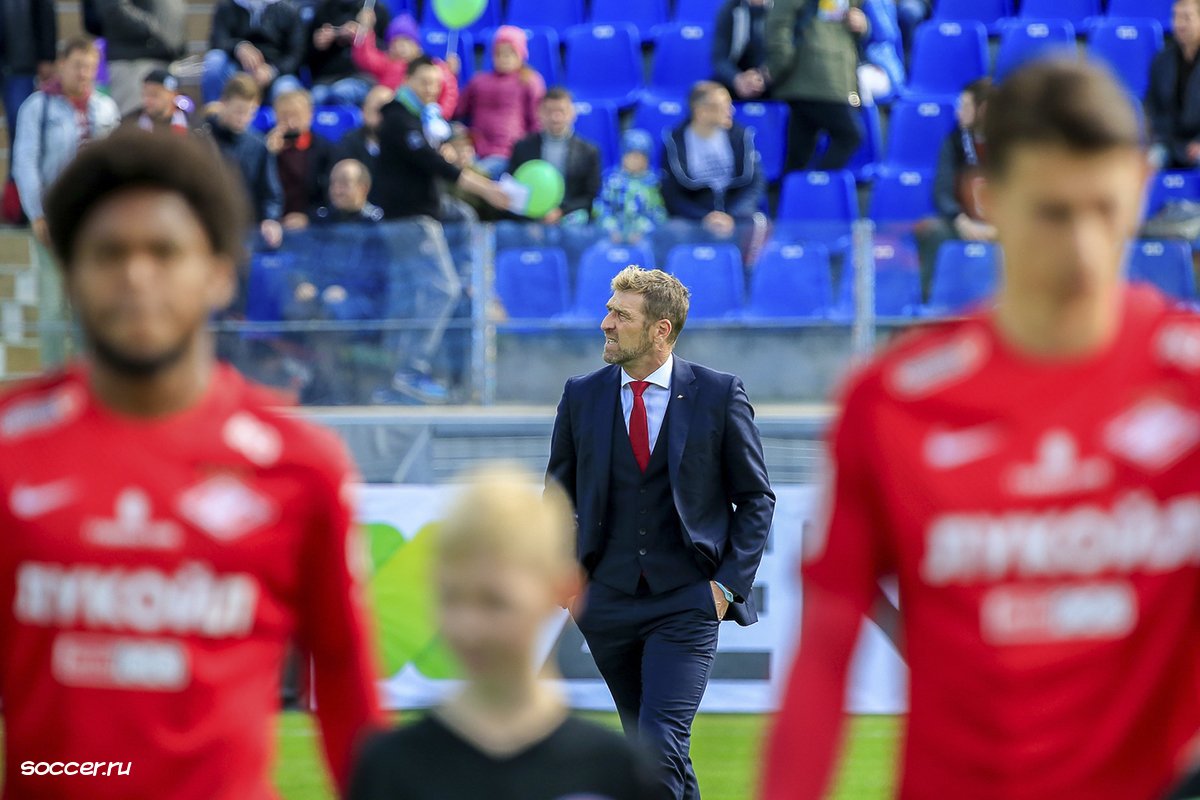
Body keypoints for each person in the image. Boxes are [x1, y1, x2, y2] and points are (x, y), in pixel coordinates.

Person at [762, 59, 1200, 800]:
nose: (1085, 248)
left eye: (1105, 208)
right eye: (1052, 213)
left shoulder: (1190, 386)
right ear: (987, 198)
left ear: (1141, 186)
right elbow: (825, 649)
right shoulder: (892, 403)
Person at [0, 129, 384, 798]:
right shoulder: (10, 448)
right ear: (71, 274)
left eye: (164, 251)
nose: (136, 276)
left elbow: (350, 695)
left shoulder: (302, 467)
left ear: (217, 273)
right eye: (109, 253)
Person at [546, 266, 775, 800]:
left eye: (620, 315)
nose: (605, 323)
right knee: (651, 750)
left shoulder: (718, 394)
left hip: (687, 603)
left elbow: (756, 498)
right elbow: (557, 500)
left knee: (657, 747)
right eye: (609, 311)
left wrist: (725, 587)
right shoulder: (581, 395)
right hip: (606, 603)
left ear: (661, 330)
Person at [349, 466, 658, 800]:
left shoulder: (618, 770)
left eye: (494, 602)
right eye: (451, 598)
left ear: (562, 592)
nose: (468, 627)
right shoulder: (389, 766)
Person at [12, 36, 121, 247]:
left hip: (97, 213)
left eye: (90, 67)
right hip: (54, 211)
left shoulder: (106, 107)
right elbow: (25, 162)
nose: (83, 73)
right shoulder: (37, 106)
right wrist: (37, 214)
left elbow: (116, 159)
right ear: (61, 64)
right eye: (78, 66)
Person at [376, 55, 509, 220]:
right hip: (406, 213)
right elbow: (430, 160)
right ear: (407, 80)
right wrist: (485, 189)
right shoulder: (398, 118)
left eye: (436, 84)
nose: (430, 89)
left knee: (464, 216)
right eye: (424, 82)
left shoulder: (426, 117)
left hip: (427, 205)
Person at [766, 0, 868, 173]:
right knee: (849, 135)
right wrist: (777, 68)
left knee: (799, 156)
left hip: (832, 78)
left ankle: (800, 189)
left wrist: (863, 26)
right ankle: (816, 185)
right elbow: (779, 26)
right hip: (814, 78)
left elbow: (845, 29)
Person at [661, 81, 764, 239]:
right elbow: (672, 194)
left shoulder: (740, 136)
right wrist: (704, 218)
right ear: (701, 112)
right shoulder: (675, 142)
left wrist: (732, 216)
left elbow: (755, 184)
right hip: (694, 220)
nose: (731, 110)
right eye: (723, 106)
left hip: (735, 217)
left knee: (759, 225)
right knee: (673, 230)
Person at [201, 73, 283, 248]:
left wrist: (270, 219)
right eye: (239, 111)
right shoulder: (201, 139)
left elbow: (270, 193)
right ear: (223, 103)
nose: (243, 118)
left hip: (246, 231)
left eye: (250, 112)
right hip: (207, 227)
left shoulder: (258, 146)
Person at [456, 26, 545, 178]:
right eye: (499, 53)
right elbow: (458, 110)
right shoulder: (478, 81)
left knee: (476, 175)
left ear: (521, 54)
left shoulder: (529, 81)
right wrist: (450, 75)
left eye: (510, 53)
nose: (504, 58)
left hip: (507, 153)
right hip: (475, 151)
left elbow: (537, 120)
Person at [508, 87, 601, 225]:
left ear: (572, 113)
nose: (555, 117)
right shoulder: (522, 147)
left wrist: (561, 211)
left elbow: (590, 196)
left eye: (561, 111)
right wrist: (533, 215)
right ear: (539, 113)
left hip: (570, 219)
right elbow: (513, 188)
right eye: (549, 111)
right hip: (529, 220)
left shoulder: (589, 151)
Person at [352, 10, 458, 119]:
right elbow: (366, 59)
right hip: (394, 113)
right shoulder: (388, 63)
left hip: (424, 114)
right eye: (395, 42)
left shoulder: (431, 66)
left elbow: (449, 90)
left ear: (417, 45)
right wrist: (365, 30)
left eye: (406, 41)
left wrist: (441, 114)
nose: (400, 47)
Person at [202, 0, 306, 104]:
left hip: (277, 74)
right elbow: (218, 40)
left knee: (286, 89)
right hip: (237, 69)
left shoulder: (288, 10)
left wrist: (272, 70)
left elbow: (296, 54)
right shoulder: (226, 7)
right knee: (214, 60)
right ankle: (215, 110)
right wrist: (238, 47)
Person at [95, 0, 186, 115]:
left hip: (164, 58)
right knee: (132, 121)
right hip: (132, 63)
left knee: (165, 121)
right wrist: (152, 29)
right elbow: (113, 8)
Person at [0, 0, 56, 178]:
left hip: (19, 63)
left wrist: (47, 55)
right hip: (16, 62)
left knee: (21, 130)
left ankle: (16, 188)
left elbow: (45, 10)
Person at [266, 89, 336, 231]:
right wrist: (267, 155)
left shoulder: (324, 150)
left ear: (310, 115)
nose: (291, 123)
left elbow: (330, 196)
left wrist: (309, 217)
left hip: (314, 227)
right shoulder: (262, 147)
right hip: (270, 225)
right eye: (285, 116)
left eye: (296, 115)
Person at [1146, 0, 1200, 169]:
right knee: (1147, 161)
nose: (1179, 24)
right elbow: (1153, 107)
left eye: (1186, 17)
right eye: (1175, 17)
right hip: (1168, 142)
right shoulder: (1162, 60)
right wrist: (1164, 140)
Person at [306, 0, 390, 107]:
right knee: (316, 96)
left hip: (362, 78)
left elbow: (388, 54)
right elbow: (305, 55)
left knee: (341, 92)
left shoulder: (376, 9)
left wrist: (366, 33)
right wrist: (319, 43)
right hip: (327, 78)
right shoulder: (326, 8)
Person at [595, 128, 668, 244]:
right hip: (611, 236)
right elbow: (601, 207)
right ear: (623, 156)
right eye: (631, 156)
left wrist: (642, 231)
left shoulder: (654, 183)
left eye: (640, 157)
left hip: (644, 237)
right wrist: (611, 229)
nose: (635, 161)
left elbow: (659, 213)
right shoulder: (611, 180)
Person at [335, 84, 393, 204]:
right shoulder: (349, 142)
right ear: (363, 111)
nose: (382, 116)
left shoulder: (402, 143)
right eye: (377, 110)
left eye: (388, 111)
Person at [712, 0, 770, 101]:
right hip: (735, 77)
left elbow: (784, 53)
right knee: (711, 94)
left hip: (771, 76)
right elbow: (719, 58)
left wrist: (763, 76)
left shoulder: (781, 8)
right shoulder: (730, 8)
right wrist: (737, 79)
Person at [311, 158, 383, 224]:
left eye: (344, 183)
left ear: (363, 188)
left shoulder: (377, 222)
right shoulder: (321, 221)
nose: (336, 191)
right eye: (332, 183)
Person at [121, 68, 190, 134]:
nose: (147, 100)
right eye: (145, 95)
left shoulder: (190, 124)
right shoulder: (130, 124)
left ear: (173, 95)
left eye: (154, 95)